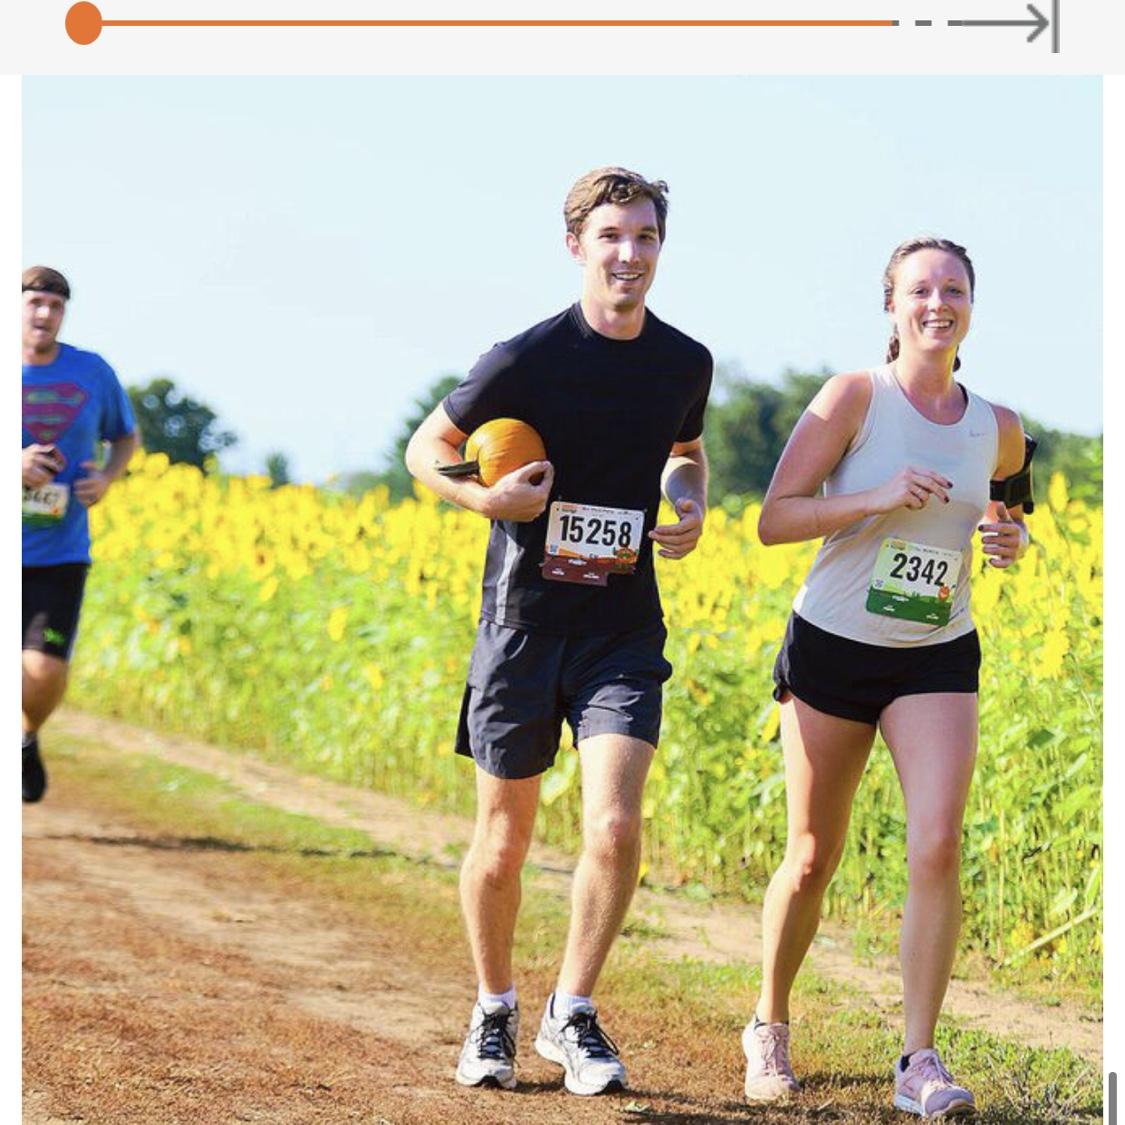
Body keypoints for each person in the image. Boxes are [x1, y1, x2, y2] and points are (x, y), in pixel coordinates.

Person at [405, 168, 712, 1096]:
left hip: (622, 625)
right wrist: (483, 495)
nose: (631, 254)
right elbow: (425, 450)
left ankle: (570, 1012)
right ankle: (493, 1008)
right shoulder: (524, 356)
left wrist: (690, 505)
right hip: (523, 625)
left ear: (662, 247)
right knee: (503, 840)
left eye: (647, 237)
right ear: (576, 244)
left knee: (615, 824)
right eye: (613, 236)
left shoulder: (683, 361)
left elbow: (686, 458)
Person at [743, 236, 1032, 1118]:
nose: (936, 303)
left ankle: (916, 1058)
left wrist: (1010, 539)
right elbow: (772, 519)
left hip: (937, 651)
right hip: (832, 643)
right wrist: (870, 499)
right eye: (919, 289)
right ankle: (768, 1023)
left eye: (953, 289)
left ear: (971, 307)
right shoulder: (852, 398)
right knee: (810, 855)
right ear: (891, 305)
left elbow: (1009, 511)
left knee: (936, 840)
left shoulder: (1000, 425)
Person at [22, 266, 138, 803]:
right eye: (34, 303)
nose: (44, 314)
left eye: (55, 306)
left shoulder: (91, 372)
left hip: (59, 551)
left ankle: (25, 736)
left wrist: (106, 478)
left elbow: (125, 436)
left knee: (43, 671)